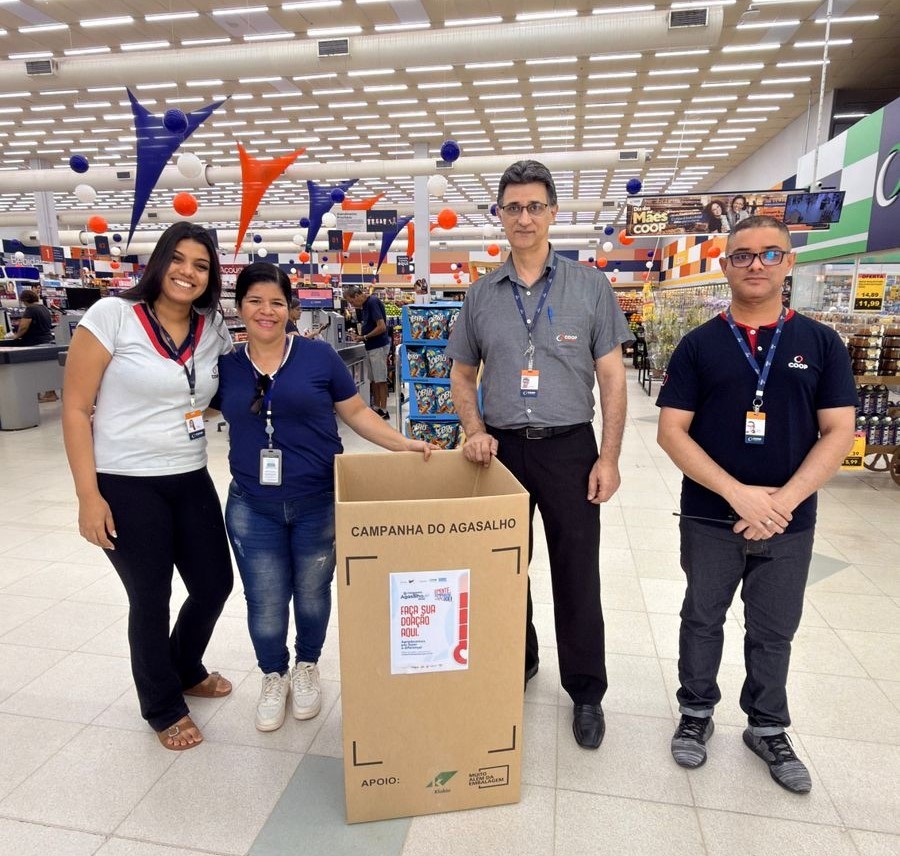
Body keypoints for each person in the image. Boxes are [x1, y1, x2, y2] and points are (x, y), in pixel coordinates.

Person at [655, 215, 857, 793]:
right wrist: (738, 493)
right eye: (743, 255)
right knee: (702, 617)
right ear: (726, 266)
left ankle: (767, 726)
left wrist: (782, 502)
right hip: (711, 515)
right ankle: (695, 714)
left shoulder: (821, 343)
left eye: (770, 254)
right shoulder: (698, 345)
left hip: (789, 522)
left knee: (774, 629)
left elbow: (839, 431)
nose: (757, 265)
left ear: (789, 262)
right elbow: (672, 432)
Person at [446, 159, 632, 750]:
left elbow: (613, 379)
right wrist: (473, 427)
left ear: (552, 213)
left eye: (534, 206)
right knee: (502, 568)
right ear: (499, 216)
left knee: (577, 574)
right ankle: (518, 659)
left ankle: (586, 691)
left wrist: (609, 457)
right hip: (498, 453)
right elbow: (460, 373)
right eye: (512, 207)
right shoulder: (479, 294)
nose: (523, 218)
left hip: (570, 449)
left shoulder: (590, 287)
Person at [213, 263, 435, 733]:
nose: (266, 311)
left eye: (276, 302)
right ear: (239, 308)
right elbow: (186, 402)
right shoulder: (227, 366)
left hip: (318, 500)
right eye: (255, 301)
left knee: (313, 594)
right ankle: (273, 674)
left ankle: (307, 665)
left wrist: (407, 444)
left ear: (291, 308)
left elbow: (356, 412)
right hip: (253, 506)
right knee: (266, 600)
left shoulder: (320, 357)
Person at [62, 221, 236, 752]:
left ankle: (184, 666)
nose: (188, 272)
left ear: (211, 277)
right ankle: (161, 705)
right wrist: (88, 497)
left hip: (189, 474)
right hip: (126, 482)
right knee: (150, 596)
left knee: (213, 584)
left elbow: (216, 393)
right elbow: (74, 407)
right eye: (179, 260)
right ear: (159, 262)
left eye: (201, 265)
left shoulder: (212, 329)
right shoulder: (112, 316)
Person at [344, 285, 391, 419]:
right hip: (371, 346)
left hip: (378, 346)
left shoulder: (372, 302)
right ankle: (376, 407)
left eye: (352, 301)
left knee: (380, 379)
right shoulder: (365, 306)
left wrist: (364, 337)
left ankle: (384, 409)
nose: (352, 305)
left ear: (358, 295)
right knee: (374, 379)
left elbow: (381, 327)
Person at [7, 288, 58, 400]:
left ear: (25, 300)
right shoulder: (43, 308)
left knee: (32, 370)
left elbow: (24, 326)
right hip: (47, 340)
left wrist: (16, 336)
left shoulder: (30, 309)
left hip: (34, 343)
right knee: (45, 369)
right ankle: (50, 393)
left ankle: (34, 395)